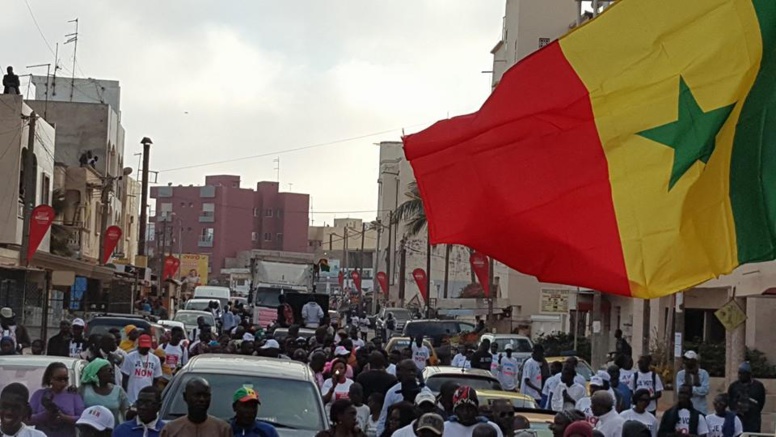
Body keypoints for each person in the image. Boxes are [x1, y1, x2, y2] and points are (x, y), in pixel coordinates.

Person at [28, 362, 85, 437]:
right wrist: (44, 416)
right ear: (50, 378)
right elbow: (27, 419)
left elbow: (83, 419)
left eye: (65, 379)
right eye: (59, 379)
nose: (63, 382)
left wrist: (64, 417)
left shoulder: (73, 395)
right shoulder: (39, 395)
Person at [160, 377, 231, 436]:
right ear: (185, 397)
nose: (202, 399)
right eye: (197, 395)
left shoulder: (222, 429)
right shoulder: (171, 430)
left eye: (206, 395)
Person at [376, 359, 430, 436]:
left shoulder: (425, 391)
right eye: (408, 370)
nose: (412, 373)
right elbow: (383, 418)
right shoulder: (392, 392)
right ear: (399, 373)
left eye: (413, 370)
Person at [80, 358, 130, 427]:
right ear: (97, 372)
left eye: (112, 370)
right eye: (109, 370)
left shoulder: (118, 391)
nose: (112, 373)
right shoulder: (84, 389)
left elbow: (126, 414)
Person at [121, 334, 162, 405]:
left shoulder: (155, 359)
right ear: (139, 345)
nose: (145, 349)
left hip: (147, 399)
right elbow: (125, 378)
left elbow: (156, 381)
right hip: (131, 398)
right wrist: (126, 396)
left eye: (147, 347)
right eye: (143, 347)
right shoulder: (130, 357)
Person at [727, 361, 766, 433]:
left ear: (749, 374)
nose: (740, 375)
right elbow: (730, 400)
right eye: (739, 373)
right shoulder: (734, 386)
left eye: (742, 373)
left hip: (753, 420)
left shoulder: (758, 386)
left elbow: (761, 402)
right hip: (738, 418)